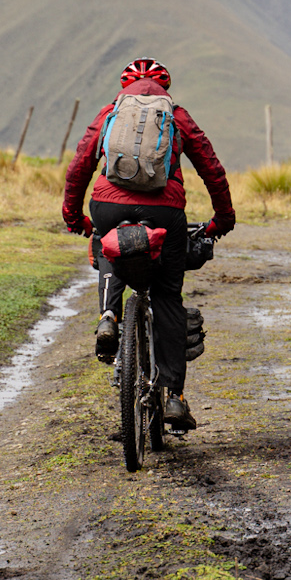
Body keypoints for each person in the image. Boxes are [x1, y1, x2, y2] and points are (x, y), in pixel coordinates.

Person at [62, 56, 234, 431]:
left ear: (125, 87)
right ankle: (174, 396)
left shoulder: (110, 112)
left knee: (107, 243)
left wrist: (74, 216)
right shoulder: (177, 116)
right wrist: (223, 217)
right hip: (165, 210)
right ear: (164, 88)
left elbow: (80, 164)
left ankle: (109, 315)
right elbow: (211, 167)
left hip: (107, 202)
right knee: (168, 297)